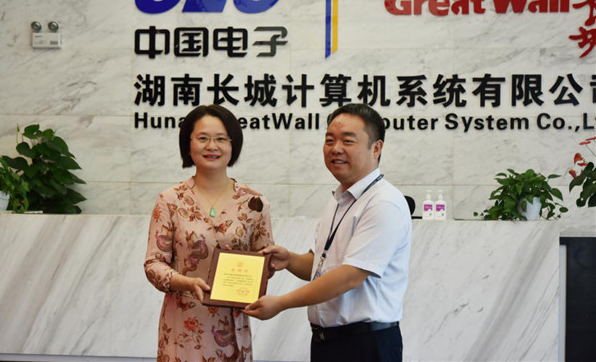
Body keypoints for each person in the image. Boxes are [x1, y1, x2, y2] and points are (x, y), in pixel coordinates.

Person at [244, 103, 412, 362]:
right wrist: (289, 259)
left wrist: (281, 302)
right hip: (328, 343)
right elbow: (321, 265)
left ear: (376, 148)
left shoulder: (383, 203)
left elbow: (349, 276)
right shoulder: (340, 199)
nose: (336, 149)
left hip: (366, 346)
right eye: (330, 140)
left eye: (348, 141)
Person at [144, 104, 274, 362]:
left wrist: (266, 266)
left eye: (221, 139)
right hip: (184, 326)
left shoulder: (254, 203)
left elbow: (265, 264)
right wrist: (186, 282)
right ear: (188, 144)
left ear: (233, 145)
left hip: (232, 326)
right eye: (203, 138)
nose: (212, 146)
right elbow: (153, 264)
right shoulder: (170, 200)